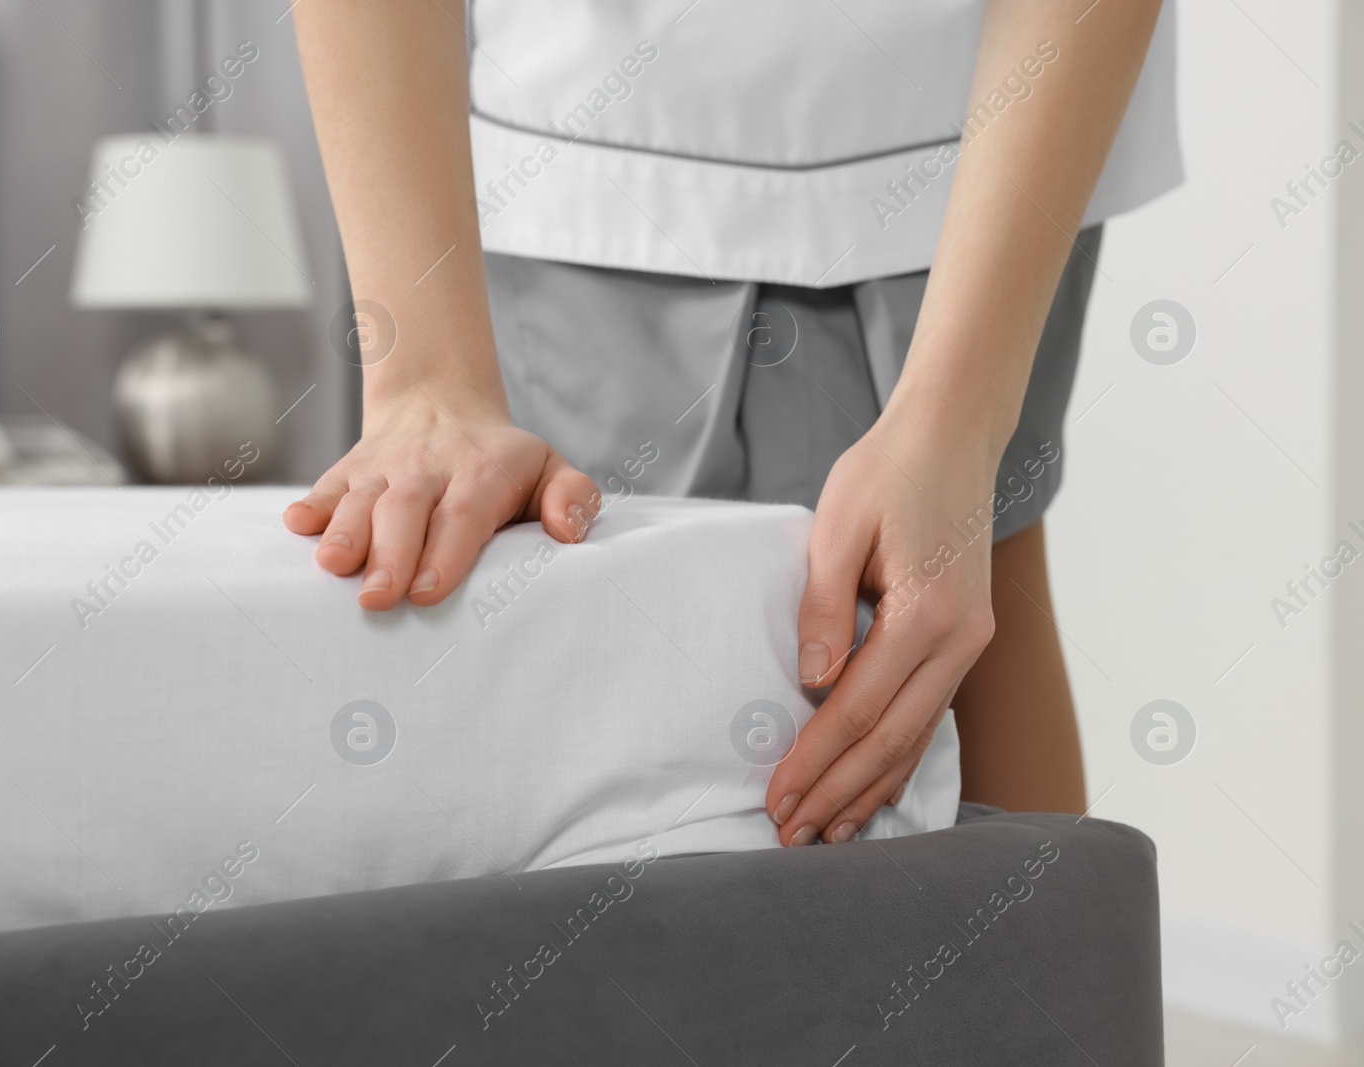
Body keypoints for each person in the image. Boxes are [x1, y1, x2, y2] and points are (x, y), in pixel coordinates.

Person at [285, 0, 1181, 847]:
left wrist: (958, 423)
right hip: (581, 142)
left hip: (985, 119)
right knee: (603, 658)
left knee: (962, 617)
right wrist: (426, 382)